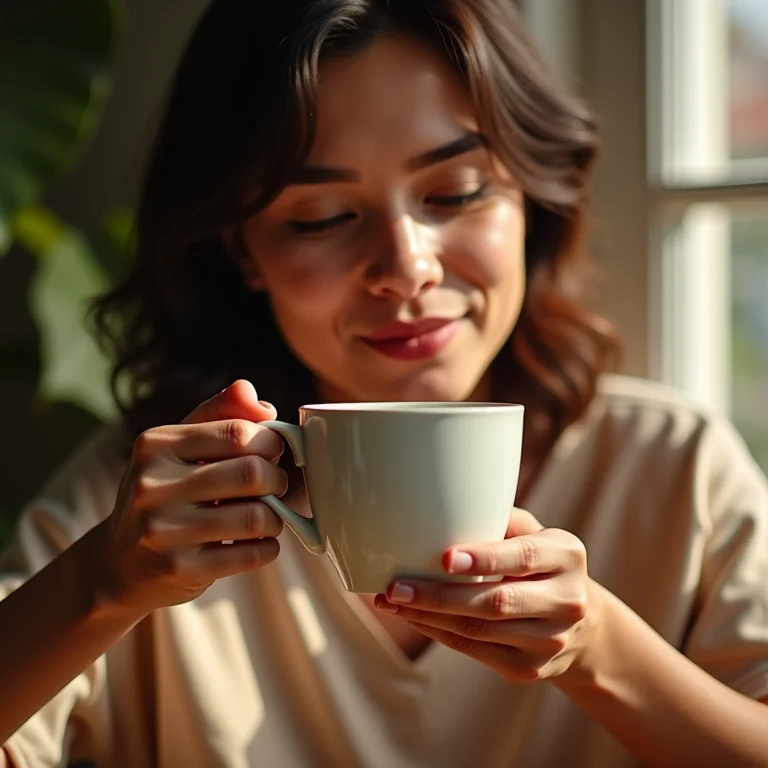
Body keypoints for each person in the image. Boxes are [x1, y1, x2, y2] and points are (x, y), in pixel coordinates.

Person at [2, 0, 767, 765]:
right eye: (326, 216)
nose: (408, 268)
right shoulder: (149, 510)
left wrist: (598, 645)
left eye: (457, 192)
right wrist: (102, 584)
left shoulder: (674, 466)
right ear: (241, 251)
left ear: (529, 196)